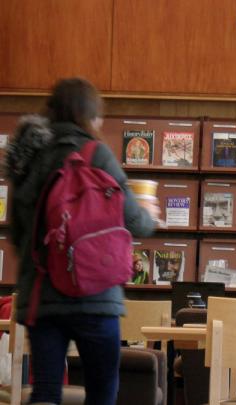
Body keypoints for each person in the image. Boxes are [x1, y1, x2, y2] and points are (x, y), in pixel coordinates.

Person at [3, 78, 158, 405]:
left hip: (41, 299)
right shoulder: (96, 153)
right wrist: (150, 214)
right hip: (96, 297)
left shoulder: (27, 157)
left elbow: (16, 234)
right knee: (102, 391)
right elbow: (134, 222)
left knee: (45, 390)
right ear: (91, 116)